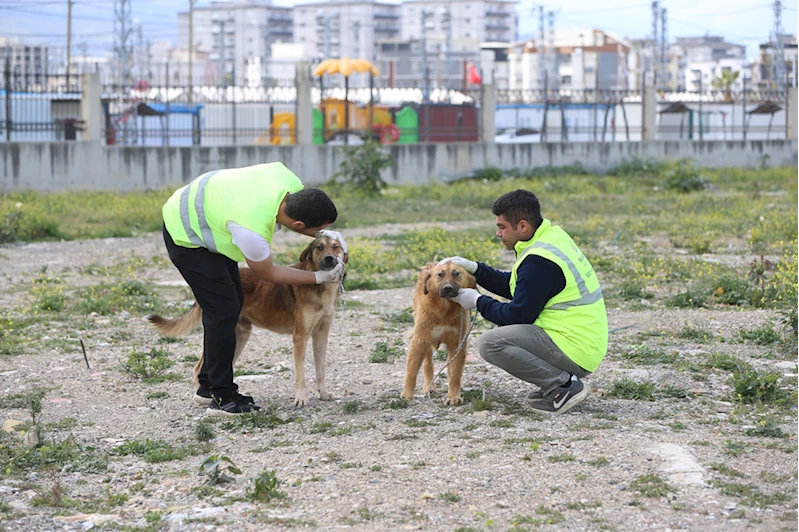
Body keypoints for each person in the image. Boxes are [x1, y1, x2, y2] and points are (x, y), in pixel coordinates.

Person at [160, 162, 346, 416]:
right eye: (318, 231)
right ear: (300, 225)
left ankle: (206, 385)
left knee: (233, 302)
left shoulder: (289, 182)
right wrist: (317, 279)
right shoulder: (252, 230)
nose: (322, 235)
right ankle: (222, 397)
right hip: (186, 229)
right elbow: (267, 273)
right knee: (224, 310)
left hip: (214, 211)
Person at [440, 189, 607, 414]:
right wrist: (476, 269)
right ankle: (558, 381)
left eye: (502, 227)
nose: (498, 233)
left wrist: (479, 302)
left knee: (491, 343)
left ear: (522, 226)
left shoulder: (539, 261)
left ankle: (563, 386)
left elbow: (517, 315)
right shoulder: (551, 238)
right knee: (502, 338)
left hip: (574, 347)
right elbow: (521, 287)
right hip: (583, 341)